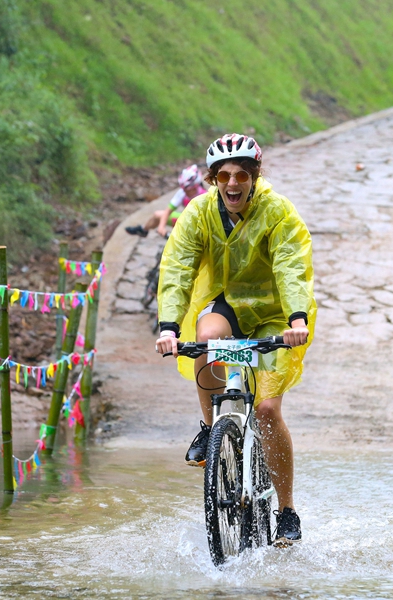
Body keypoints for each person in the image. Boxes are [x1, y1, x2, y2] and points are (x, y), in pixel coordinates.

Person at [155, 133, 316, 547]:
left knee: (265, 408)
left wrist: (296, 318)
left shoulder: (277, 212)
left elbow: (291, 265)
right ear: (212, 179)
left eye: (241, 175)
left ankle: (286, 510)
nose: (232, 184)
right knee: (206, 339)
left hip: (278, 314)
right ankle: (211, 428)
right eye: (223, 175)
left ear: (254, 177)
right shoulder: (198, 212)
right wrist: (169, 325)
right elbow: (177, 267)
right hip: (230, 304)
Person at [125, 165, 208, 238]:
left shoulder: (204, 196)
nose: (185, 192)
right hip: (186, 220)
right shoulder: (182, 192)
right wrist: (161, 227)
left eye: (188, 190)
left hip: (199, 225)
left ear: (195, 187)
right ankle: (143, 230)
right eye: (184, 189)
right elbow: (168, 210)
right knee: (158, 214)